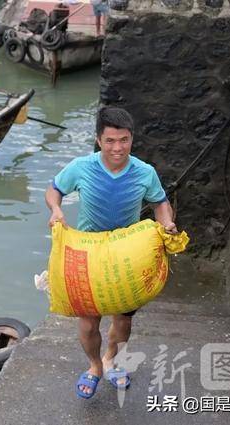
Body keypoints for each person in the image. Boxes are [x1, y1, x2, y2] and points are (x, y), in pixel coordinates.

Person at [44, 107, 177, 399]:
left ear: (132, 139)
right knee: (89, 321)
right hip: (88, 256)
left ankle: (111, 359)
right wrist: (56, 210)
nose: (118, 148)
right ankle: (94, 366)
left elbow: (160, 202)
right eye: (110, 141)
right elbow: (54, 190)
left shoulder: (145, 172)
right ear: (98, 139)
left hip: (127, 257)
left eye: (124, 140)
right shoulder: (81, 167)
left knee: (123, 319)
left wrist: (166, 223)